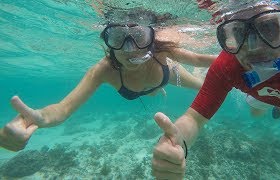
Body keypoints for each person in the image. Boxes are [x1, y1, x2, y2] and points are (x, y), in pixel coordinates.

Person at [151, 0, 280, 179]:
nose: (254, 46)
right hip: (263, 96)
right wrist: (177, 143)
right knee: (256, 113)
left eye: (269, 27)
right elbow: (195, 117)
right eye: (239, 32)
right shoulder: (228, 66)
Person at [0, 22, 217, 152]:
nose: (130, 48)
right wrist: (39, 118)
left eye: (139, 36)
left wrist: (231, 59)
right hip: (148, 88)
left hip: (168, 74)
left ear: (150, 38)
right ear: (108, 42)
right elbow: (64, 108)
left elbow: (198, 58)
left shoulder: (161, 52)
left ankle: (167, 85)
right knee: (151, 91)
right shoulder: (103, 70)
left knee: (200, 85)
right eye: (118, 38)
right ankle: (155, 90)